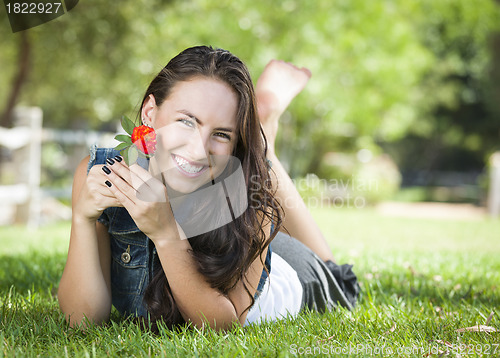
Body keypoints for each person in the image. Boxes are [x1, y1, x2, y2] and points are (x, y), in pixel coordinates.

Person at [57, 45, 359, 331]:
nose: (199, 150)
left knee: (341, 280)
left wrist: (165, 233)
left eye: (222, 134)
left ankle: (264, 142)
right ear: (150, 113)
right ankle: (260, 132)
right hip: (232, 246)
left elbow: (225, 325)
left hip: (279, 274)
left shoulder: (252, 205)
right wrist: (82, 219)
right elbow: (82, 320)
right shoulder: (103, 175)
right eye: (187, 122)